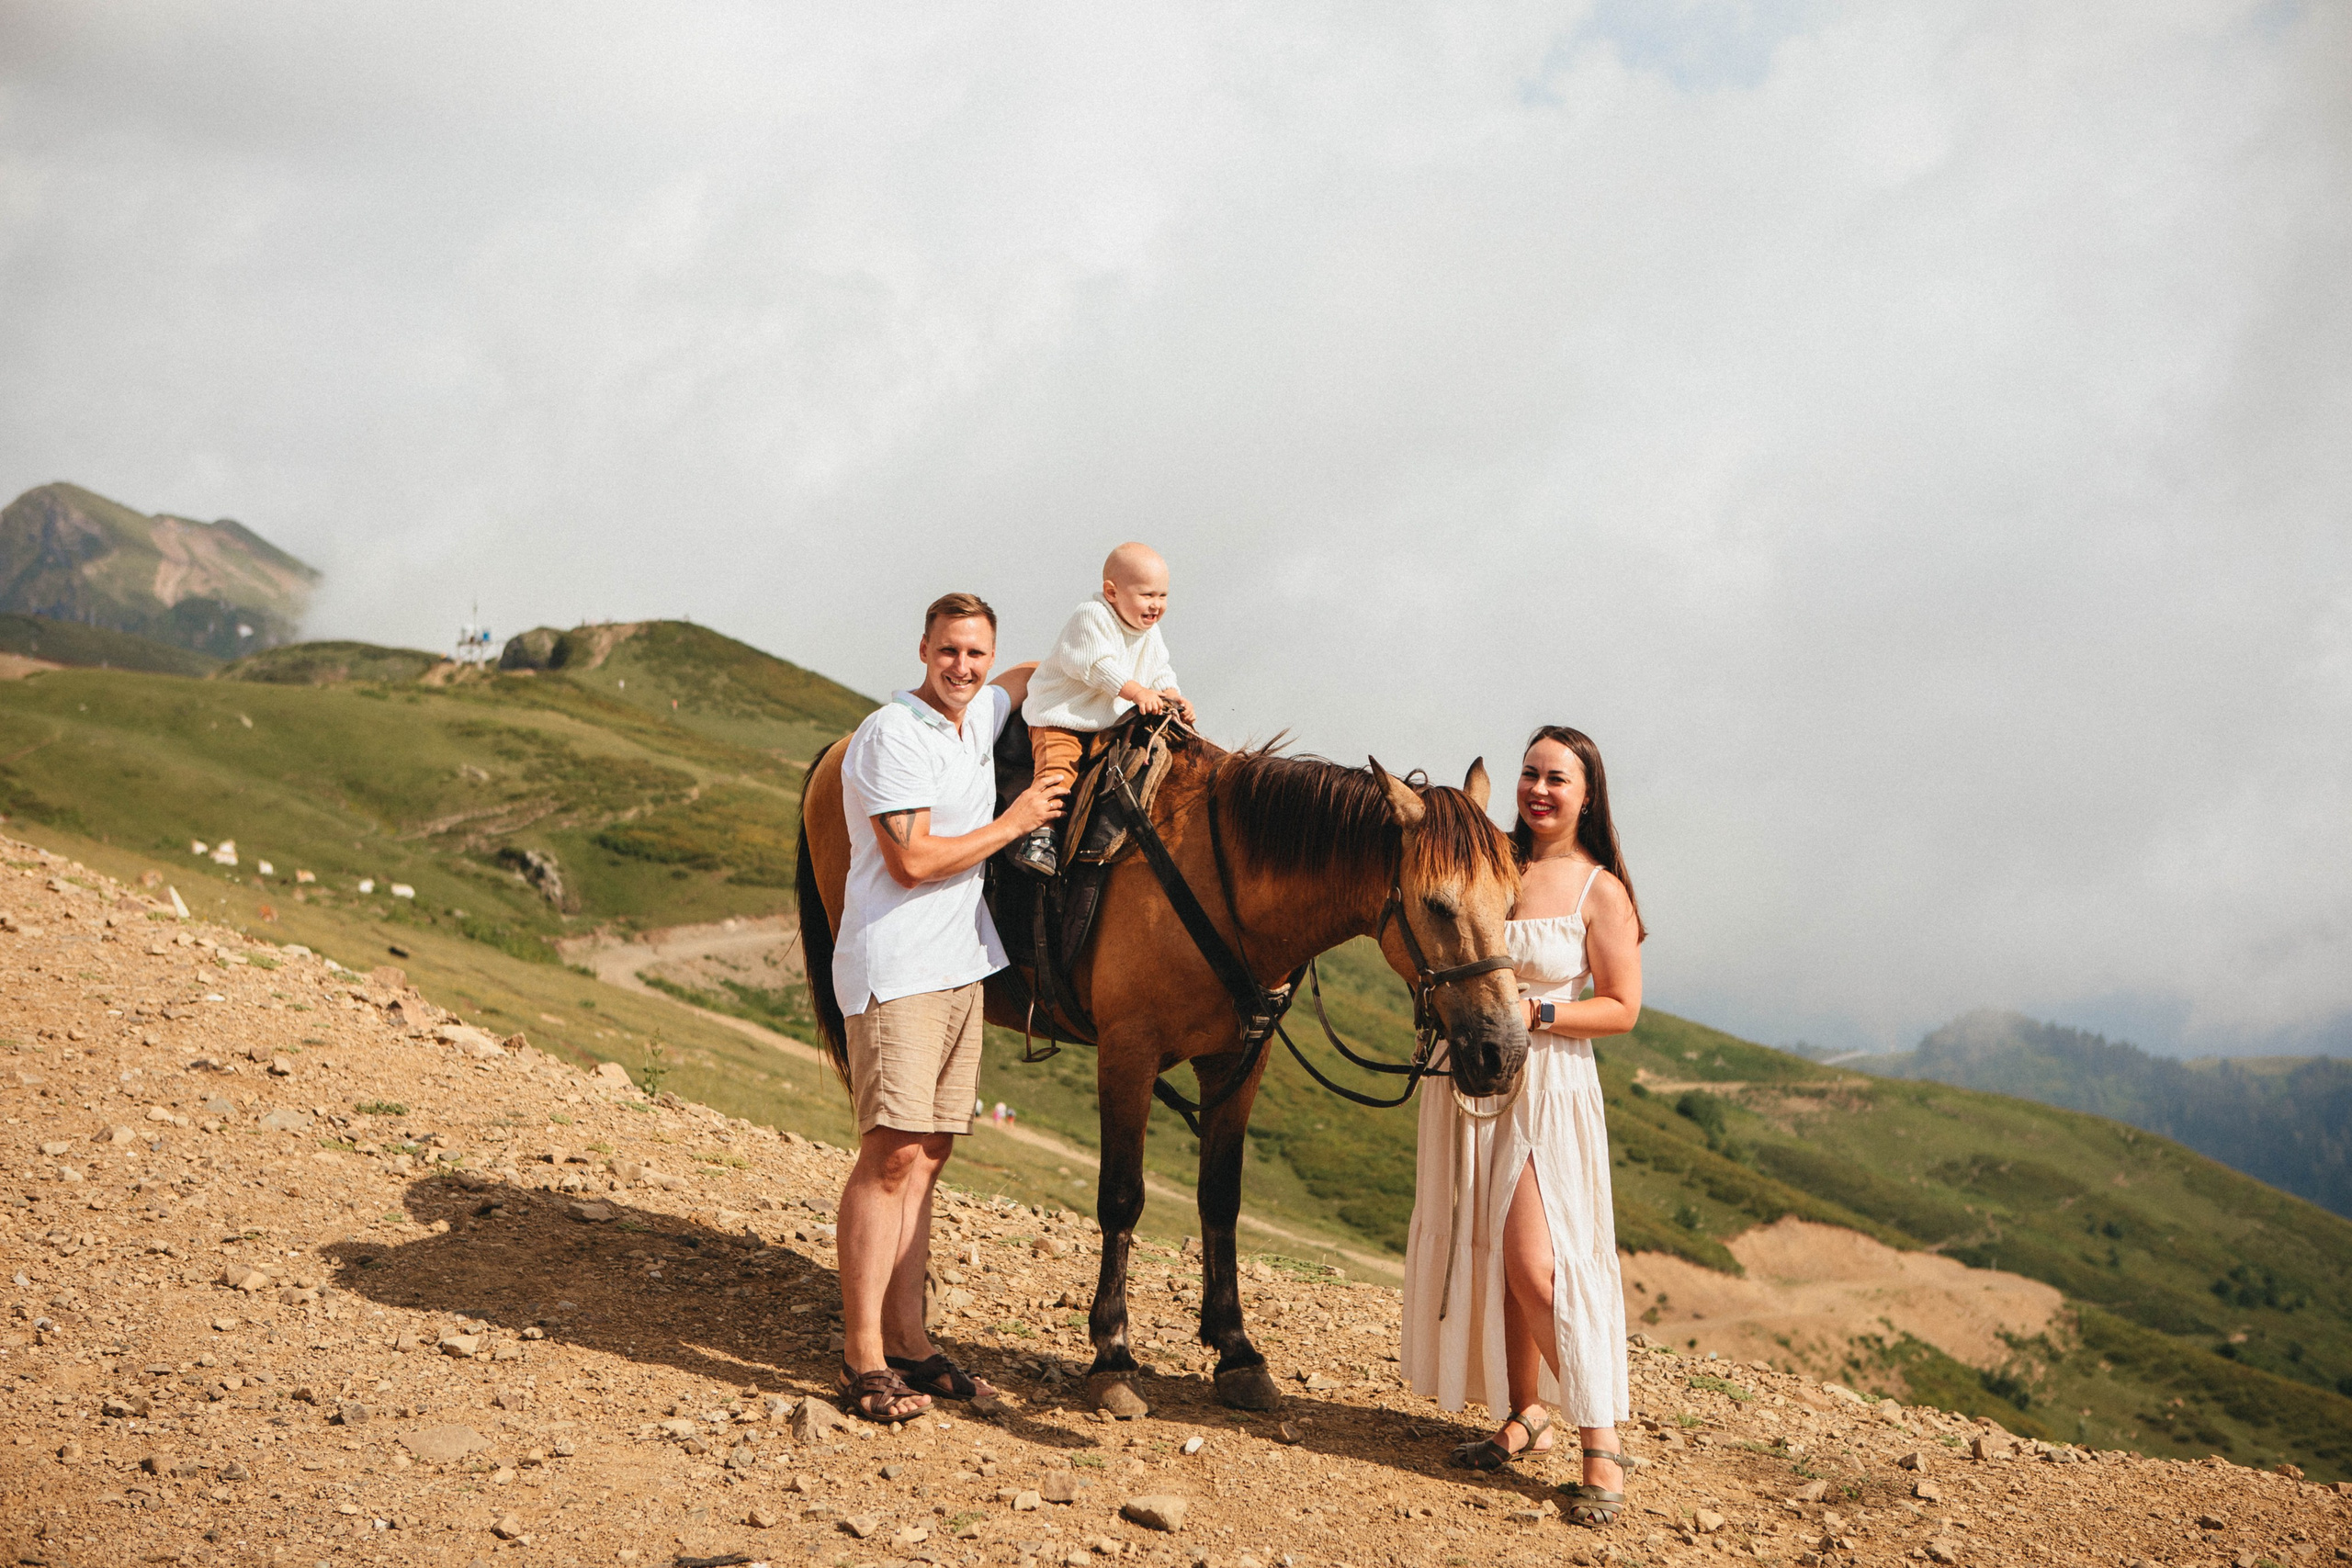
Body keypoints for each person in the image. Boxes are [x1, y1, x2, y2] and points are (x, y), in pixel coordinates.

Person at [1398, 725, 1646, 1528]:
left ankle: (1599, 1437)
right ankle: (1525, 1409)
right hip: (1473, 1078)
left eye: (1557, 779)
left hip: (1548, 1084)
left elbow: (1623, 1007)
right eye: (1530, 774)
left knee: (1540, 1265)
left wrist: (1537, 1011)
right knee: (1497, 1255)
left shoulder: (1598, 889)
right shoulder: (1495, 864)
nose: (1539, 789)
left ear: (1586, 794)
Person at [831, 591, 1066, 1421]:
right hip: (898, 970)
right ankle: (863, 1355)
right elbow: (912, 860)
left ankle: (911, 1339)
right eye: (949, 652)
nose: (964, 667)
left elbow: (1035, 673)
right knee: (888, 1156)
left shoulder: (979, 712)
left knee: (929, 1157)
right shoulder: (893, 734)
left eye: (976, 653)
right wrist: (1018, 820)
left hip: (962, 966)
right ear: (923, 649)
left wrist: (1133, 675)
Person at [1010, 542, 1193, 876]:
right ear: (1111, 592)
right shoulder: (1092, 616)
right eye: (1147, 595)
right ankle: (1041, 835)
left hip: (1104, 722)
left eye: (1163, 596)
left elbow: (1161, 670)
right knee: (1059, 769)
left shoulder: (1150, 633)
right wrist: (1138, 691)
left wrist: (1173, 696)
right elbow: (1095, 665)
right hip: (1062, 715)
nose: (1157, 605)